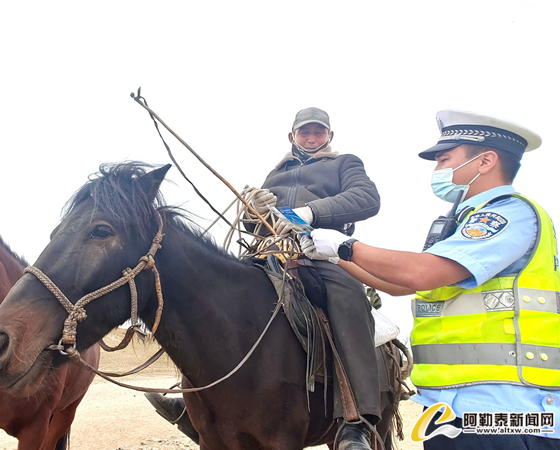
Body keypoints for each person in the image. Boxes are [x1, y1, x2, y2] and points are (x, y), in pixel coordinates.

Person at [308, 110, 560, 449]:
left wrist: (346, 245)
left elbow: (421, 272)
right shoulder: (460, 223)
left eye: (444, 159)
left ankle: (357, 420)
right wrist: (333, 257)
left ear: (485, 161)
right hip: (449, 413)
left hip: (506, 412)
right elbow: (402, 285)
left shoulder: (508, 214)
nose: (437, 169)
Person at [147, 107, 383, 450]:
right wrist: (252, 212)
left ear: (329, 136)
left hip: (321, 252)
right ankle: (195, 401)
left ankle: (357, 419)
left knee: (349, 299)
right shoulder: (276, 173)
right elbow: (258, 226)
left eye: (318, 132)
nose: (311, 138)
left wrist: (309, 212)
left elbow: (367, 198)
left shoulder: (345, 164)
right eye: (305, 132)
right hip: (267, 253)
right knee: (211, 297)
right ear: (292, 136)